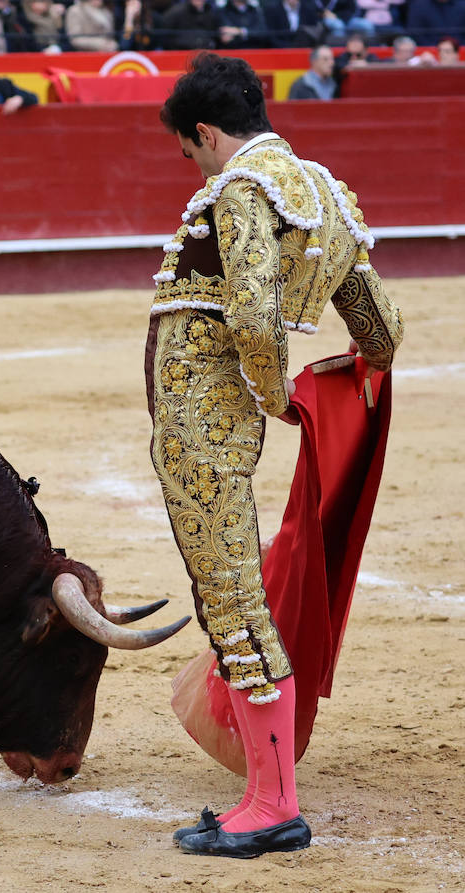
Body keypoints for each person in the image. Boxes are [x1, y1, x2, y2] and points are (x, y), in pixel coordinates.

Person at [152, 53, 403, 858]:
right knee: (236, 593)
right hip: (224, 419)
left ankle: (272, 803)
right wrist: (317, 388)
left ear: (206, 133)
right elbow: (383, 334)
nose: (192, 169)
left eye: (190, 152)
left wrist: (275, 393)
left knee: (230, 598)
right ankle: (269, 792)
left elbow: (255, 322)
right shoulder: (326, 196)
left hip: (203, 421)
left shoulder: (237, 189)